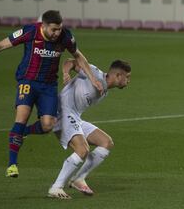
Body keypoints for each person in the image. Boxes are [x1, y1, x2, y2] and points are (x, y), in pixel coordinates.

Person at [0, 10, 103, 178]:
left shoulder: (66, 37)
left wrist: (93, 78)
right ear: (44, 26)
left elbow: (78, 56)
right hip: (27, 82)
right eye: (54, 29)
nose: (57, 33)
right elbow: (0, 45)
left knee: (48, 125)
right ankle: (12, 164)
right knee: (22, 116)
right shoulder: (30, 31)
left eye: (59, 29)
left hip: (48, 87)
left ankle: (22, 132)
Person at [24, 58, 131, 199]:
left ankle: (78, 179)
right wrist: (66, 72)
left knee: (106, 142)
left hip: (75, 117)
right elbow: (72, 61)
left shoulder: (104, 90)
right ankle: (56, 187)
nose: (128, 81)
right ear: (118, 75)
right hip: (62, 112)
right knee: (82, 150)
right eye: (127, 77)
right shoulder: (93, 72)